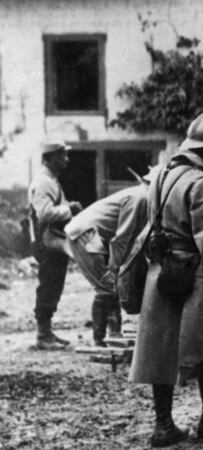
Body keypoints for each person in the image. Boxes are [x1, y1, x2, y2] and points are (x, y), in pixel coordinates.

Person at [129, 112, 203, 447]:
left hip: (162, 270)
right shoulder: (200, 182)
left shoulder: (163, 174)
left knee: (160, 347)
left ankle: (163, 425)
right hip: (195, 272)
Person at [65, 179, 149, 347]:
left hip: (91, 233)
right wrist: (115, 267)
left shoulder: (141, 195)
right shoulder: (141, 198)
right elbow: (123, 238)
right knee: (107, 285)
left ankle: (114, 334)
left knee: (110, 286)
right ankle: (100, 339)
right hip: (84, 233)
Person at [28, 140, 82, 350]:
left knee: (55, 283)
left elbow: (56, 206)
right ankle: (43, 335)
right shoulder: (42, 182)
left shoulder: (51, 180)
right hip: (46, 241)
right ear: (49, 158)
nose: (66, 160)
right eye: (62, 155)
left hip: (54, 240)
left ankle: (47, 331)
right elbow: (45, 213)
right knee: (49, 284)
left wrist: (68, 206)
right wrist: (70, 210)